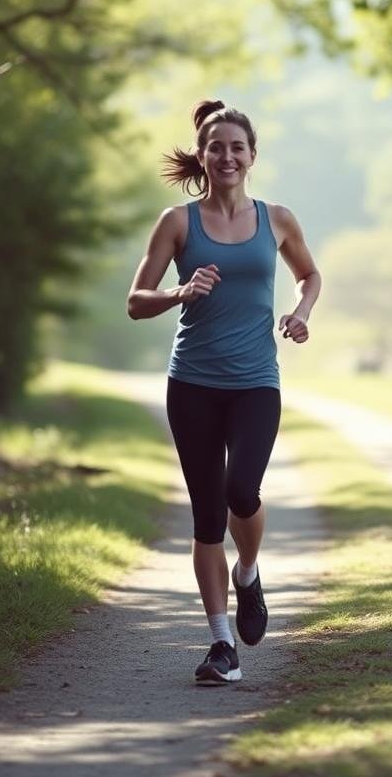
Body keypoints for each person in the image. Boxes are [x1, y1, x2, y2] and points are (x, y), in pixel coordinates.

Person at [127, 99, 321, 685]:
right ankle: (221, 645)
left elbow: (309, 275)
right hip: (191, 384)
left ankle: (250, 571)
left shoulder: (277, 219)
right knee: (207, 518)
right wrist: (179, 293)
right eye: (217, 147)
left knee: (243, 490)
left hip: (256, 382)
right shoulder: (178, 223)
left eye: (238, 147)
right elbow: (137, 301)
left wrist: (300, 312)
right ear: (203, 156)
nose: (228, 156)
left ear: (252, 156)